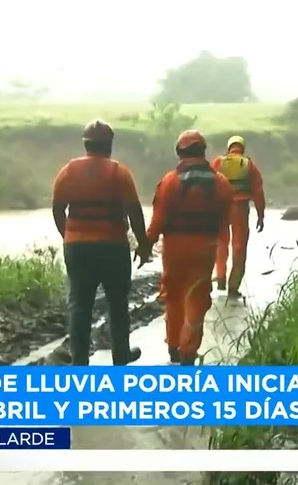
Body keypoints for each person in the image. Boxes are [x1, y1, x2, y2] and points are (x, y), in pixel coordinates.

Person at [51, 119, 153, 366]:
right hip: (113, 247)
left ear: (86, 144)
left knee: (79, 305)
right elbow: (134, 212)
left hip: (78, 247)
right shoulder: (119, 172)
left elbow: (57, 209)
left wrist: (70, 237)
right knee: (118, 304)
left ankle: (79, 362)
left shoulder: (68, 171)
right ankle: (120, 357)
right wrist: (143, 244)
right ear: (109, 145)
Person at [146, 130, 232, 365]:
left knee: (173, 296)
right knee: (197, 297)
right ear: (203, 152)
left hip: (174, 249)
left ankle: (173, 347)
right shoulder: (221, 183)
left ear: (179, 152)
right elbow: (225, 223)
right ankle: (188, 351)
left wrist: (146, 246)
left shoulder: (169, 182)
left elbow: (157, 221)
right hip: (205, 249)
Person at [211, 135, 266, 299]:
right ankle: (233, 287)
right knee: (239, 247)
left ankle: (220, 277)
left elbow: (209, 184)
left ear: (229, 147)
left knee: (221, 242)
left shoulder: (218, 163)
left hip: (220, 208)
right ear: (242, 147)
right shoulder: (249, 165)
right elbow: (258, 192)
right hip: (240, 209)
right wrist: (260, 215)